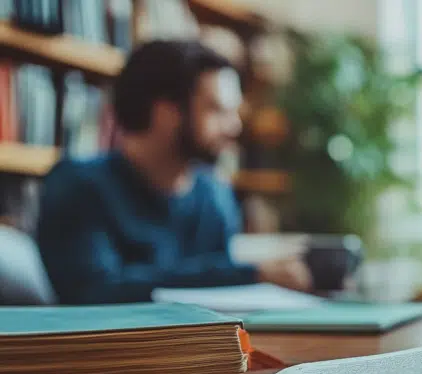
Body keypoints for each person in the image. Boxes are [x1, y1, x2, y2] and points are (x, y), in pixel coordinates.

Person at [36, 41, 311, 304]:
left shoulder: (214, 196)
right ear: (165, 112)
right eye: (217, 109)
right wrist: (246, 274)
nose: (235, 126)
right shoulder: (78, 185)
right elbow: (93, 293)